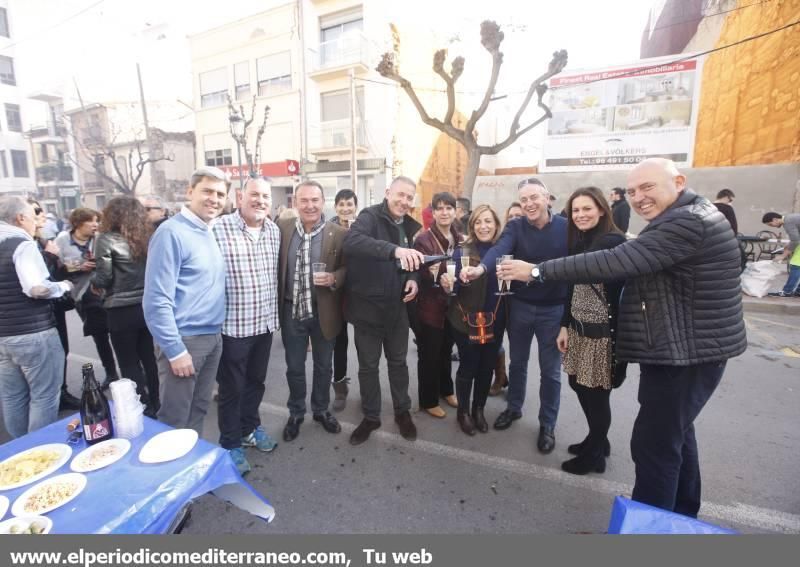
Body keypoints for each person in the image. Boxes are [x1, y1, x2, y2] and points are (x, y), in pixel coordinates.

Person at [499, 158, 746, 516]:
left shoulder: (688, 222)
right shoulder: (682, 217)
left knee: (653, 446)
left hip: (686, 354)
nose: (638, 197)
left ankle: (650, 526)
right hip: (680, 349)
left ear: (679, 182)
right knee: (676, 437)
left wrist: (536, 270)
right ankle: (680, 516)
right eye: (632, 191)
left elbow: (613, 262)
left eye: (647, 187)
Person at [461, 178, 567, 454]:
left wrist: (567, 321)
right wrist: (481, 270)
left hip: (553, 310)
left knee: (550, 372)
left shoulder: (566, 229)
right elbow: (498, 250)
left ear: (547, 198)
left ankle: (547, 424)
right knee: (518, 363)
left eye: (534, 197)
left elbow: (575, 273)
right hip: (520, 306)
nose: (529, 204)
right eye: (524, 200)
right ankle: (514, 408)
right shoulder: (515, 227)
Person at [143, 166, 227, 435]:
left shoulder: (208, 230)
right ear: (190, 192)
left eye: (220, 194)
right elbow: (156, 300)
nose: (214, 198)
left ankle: (192, 469)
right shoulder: (171, 233)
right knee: (174, 421)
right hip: (185, 342)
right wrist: (175, 350)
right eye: (208, 191)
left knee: (198, 410)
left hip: (212, 337)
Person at [343, 176, 423, 445]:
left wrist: (414, 279)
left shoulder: (412, 227)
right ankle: (371, 416)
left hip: (397, 309)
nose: (404, 201)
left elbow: (415, 264)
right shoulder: (369, 217)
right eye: (400, 194)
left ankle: (402, 412)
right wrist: (394, 250)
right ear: (388, 192)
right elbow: (352, 242)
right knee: (368, 367)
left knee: (399, 364)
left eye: (409, 197)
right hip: (367, 309)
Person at [555, 187, 626, 475]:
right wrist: (565, 325)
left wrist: (535, 270)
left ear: (601, 209)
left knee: (596, 393)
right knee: (577, 383)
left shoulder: (612, 240)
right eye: (575, 210)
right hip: (580, 329)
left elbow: (579, 268)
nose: (580, 215)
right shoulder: (581, 240)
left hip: (604, 335)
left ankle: (594, 456)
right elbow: (571, 288)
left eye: (587, 209)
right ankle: (597, 440)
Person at [212, 177, 280, 475]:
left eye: (265, 196)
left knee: (256, 382)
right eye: (254, 194)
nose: (260, 201)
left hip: (264, 324)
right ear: (240, 196)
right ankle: (230, 443)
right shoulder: (219, 228)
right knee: (231, 388)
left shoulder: (274, 231)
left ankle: (250, 428)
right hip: (233, 326)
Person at [277, 180, 347, 442]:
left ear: (323, 202)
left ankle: (320, 409)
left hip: (323, 312)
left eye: (314, 200)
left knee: (323, 366)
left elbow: (347, 269)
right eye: (304, 200)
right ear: (295, 203)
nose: (309, 205)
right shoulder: (282, 228)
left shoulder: (338, 233)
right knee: (294, 367)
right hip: (291, 310)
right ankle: (296, 413)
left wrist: (333, 278)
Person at [0, 196, 72, 438]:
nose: (36, 224)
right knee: (44, 395)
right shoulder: (22, 244)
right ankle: (38, 450)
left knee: (12, 395)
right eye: (32, 217)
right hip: (33, 332)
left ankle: (18, 451)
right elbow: (36, 288)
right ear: (20, 218)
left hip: (3, 336)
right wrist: (62, 286)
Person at [91, 197, 159, 418]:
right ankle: (157, 402)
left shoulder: (105, 239)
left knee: (128, 362)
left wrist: (92, 279)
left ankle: (141, 406)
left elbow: (104, 276)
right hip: (147, 305)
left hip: (120, 309)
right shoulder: (148, 238)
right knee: (150, 358)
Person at [442, 204, 506, 435]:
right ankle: (464, 413)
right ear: (472, 226)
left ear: (496, 225)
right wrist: (450, 282)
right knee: (468, 366)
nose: (483, 226)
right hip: (465, 320)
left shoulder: (504, 251)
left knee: (486, 367)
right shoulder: (462, 252)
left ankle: (479, 409)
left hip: (495, 321)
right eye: (478, 222)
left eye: (488, 221)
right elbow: (454, 285)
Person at [54, 208, 119, 389]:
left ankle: (129, 370)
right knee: (100, 335)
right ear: (77, 223)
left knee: (116, 331)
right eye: (91, 221)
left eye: (97, 221)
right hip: (81, 294)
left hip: (106, 292)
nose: (95, 225)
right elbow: (55, 268)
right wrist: (76, 267)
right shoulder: (62, 240)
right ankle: (111, 372)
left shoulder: (100, 238)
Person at [27, 199, 80, 410]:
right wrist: (50, 256)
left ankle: (62, 391)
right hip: (34, 315)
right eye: (36, 211)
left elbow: (55, 272)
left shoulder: (42, 240)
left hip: (54, 307)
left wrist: (62, 264)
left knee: (61, 350)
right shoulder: (23, 244)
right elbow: (37, 281)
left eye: (41, 210)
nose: (41, 215)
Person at [413, 191, 460, 418]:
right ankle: (428, 399)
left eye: (448, 208)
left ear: (455, 211)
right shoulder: (423, 239)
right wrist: (437, 275)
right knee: (429, 354)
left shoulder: (459, 237)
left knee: (446, 350)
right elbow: (419, 271)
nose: (444, 212)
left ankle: (447, 389)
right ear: (433, 212)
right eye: (439, 208)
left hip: (453, 306)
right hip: (430, 307)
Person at [487, 202, 523, 397]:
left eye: (519, 215)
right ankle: (500, 376)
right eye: (511, 216)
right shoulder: (502, 240)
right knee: (496, 341)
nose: (515, 219)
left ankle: (513, 389)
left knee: (517, 349)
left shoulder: (529, 239)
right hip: (501, 298)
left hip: (520, 301)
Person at [762, 211, 800, 297]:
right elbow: (796, 238)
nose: (772, 227)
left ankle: (787, 291)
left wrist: (783, 255)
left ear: (775, 219)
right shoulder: (790, 218)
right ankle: (798, 291)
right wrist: (790, 243)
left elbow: (796, 241)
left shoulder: (788, 222)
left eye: (771, 224)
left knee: (795, 266)